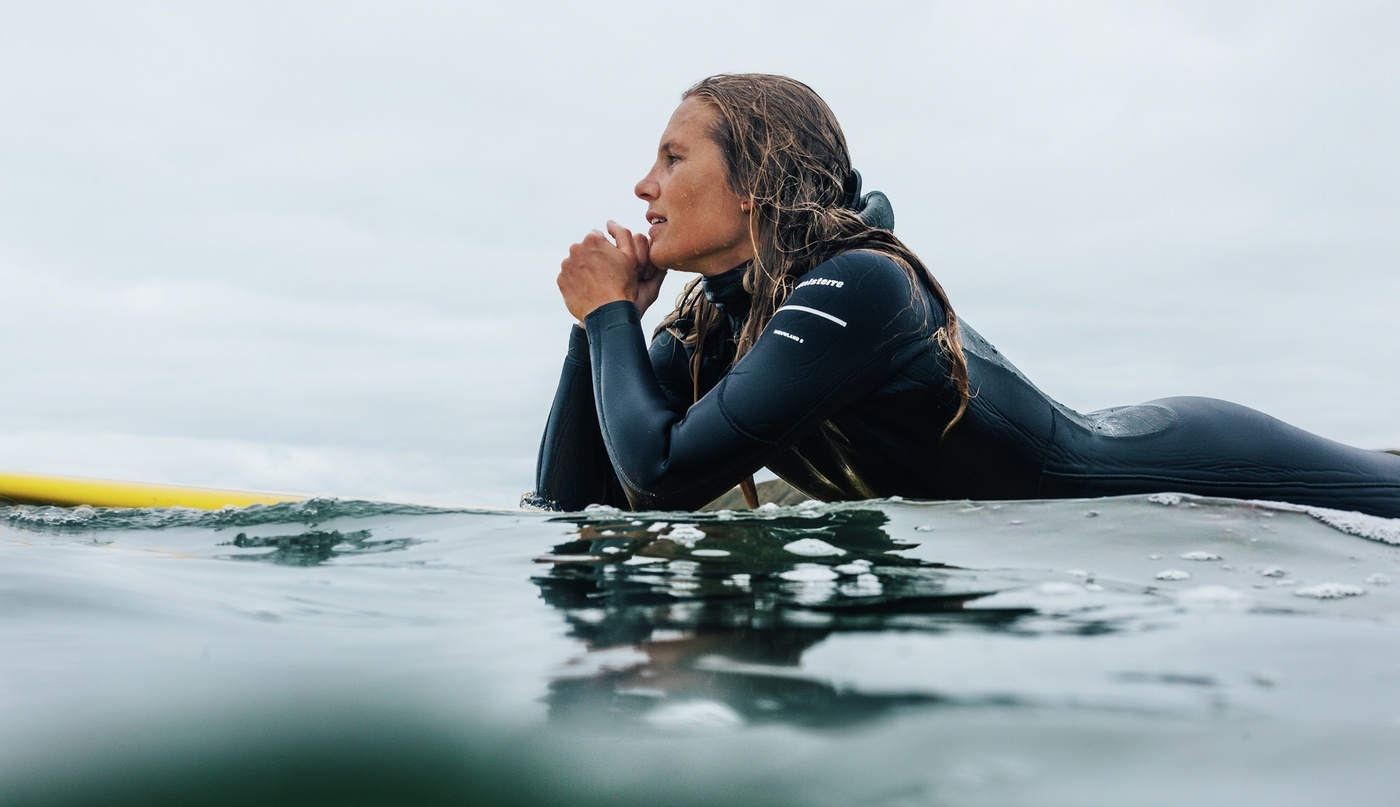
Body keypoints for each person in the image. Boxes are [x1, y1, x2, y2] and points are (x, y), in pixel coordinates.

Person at [525, 73, 1400, 519]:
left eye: (674, 158)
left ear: (754, 178)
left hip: (1187, 467)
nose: (645, 185)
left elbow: (666, 470)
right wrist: (600, 326)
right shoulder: (717, 324)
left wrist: (606, 316)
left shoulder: (860, 287)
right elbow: (575, 503)